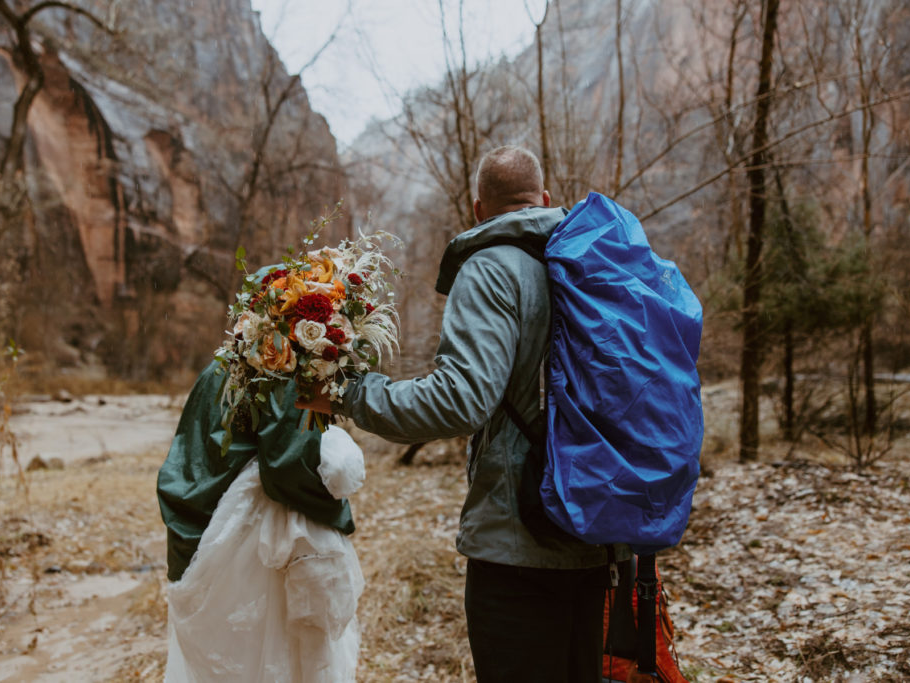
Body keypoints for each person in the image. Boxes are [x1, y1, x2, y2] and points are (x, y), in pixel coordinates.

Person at [300, 145, 630, 682]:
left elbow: (459, 400)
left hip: (519, 543)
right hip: (594, 532)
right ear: (544, 201)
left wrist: (348, 394)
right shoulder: (586, 263)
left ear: (478, 210)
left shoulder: (492, 267)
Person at [158, 360, 366, 682]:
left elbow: (193, 451)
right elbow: (288, 465)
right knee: (264, 656)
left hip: (212, 534)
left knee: (230, 657)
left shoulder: (215, 369)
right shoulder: (285, 372)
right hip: (252, 545)